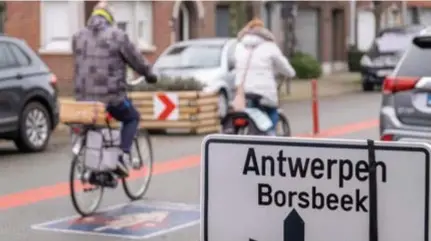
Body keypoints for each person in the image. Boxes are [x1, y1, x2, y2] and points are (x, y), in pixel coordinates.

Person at [72, 1, 157, 179]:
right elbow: (137, 60)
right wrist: (150, 75)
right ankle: (122, 156)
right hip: (110, 98)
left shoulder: (78, 36)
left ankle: (89, 164)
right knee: (132, 117)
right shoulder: (118, 36)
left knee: (92, 124)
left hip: (83, 100)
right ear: (110, 17)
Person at [234, 18, 296, 136]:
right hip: (264, 91)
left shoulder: (239, 46)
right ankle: (270, 139)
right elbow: (285, 67)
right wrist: (291, 73)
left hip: (244, 91)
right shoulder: (269, 46)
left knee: (249, 114)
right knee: (272, 112)